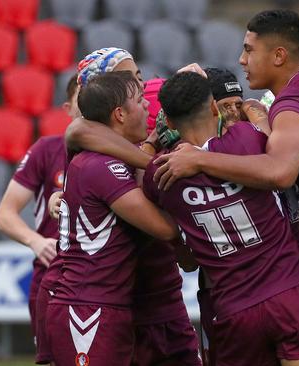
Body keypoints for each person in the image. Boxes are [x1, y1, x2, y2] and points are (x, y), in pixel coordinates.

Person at [152, 10, 299, 366]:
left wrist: (199, 159)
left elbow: (280, 172)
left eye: (249, 50)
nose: (241, 60)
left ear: (278, 55)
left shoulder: (292, 105)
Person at [144, 72, 299, 366]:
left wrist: (152, 143)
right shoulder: (246, 139)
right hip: (289, 292)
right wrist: (255, 112)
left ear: (168, 122)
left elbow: (139, 183)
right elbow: (276, 148)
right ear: (215, 108)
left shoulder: (160, 175)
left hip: (233, 311)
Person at [46, 71, 181, 366]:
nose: (147, 106)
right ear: (119, 114)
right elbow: (165, 229)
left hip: (101, 304)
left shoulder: (100, 157)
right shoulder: (104, 166)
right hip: (88, 308)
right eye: (138, 100)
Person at [0, 73, 80, 364]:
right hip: (54, 276)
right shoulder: (47, 149)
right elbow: (5, 214)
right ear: (68, 109)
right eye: (85, 99)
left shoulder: (122, 152)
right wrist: (36, 241)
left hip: (107, 277)